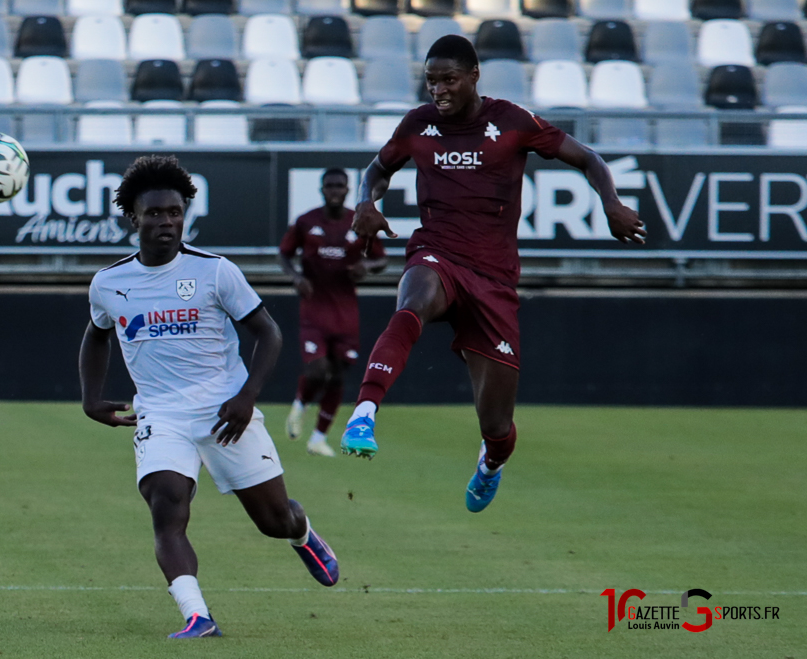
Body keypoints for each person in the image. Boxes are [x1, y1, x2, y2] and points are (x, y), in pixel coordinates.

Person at [340, 35, 647, 514]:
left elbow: (587, 157)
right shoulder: (418, 125)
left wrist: (611, 203)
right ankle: (364, 413)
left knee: (497, 426)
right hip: (437, 251)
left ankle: (491, 463)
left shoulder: (512, 122)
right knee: (412, 302)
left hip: (495, 279)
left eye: (448, 80)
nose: (438, 90)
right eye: (431, 81)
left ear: (474, 77)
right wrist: (366, 201)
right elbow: (377, 169)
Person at [79, 155, 339, 640]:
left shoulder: (215, 272)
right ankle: (197, 615)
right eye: (154, 213)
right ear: (133, 218)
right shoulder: (110, 283)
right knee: (166, 502)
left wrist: (246, 396)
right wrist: (91, 398)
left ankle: (302, 533)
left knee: (273, 521)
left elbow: (269, 333)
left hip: (225, 411)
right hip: (160, 413)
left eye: (175, 212)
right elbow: (95, 335)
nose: (166, 221)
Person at [278, 168, 387, 457]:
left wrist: (367, 267)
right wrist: (295, 277)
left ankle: (317, 439)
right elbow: (284, 254)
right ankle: (299, 406)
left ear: (348, 189)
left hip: (345, 311)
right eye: (330, 186)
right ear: (322, 189)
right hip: (314, 308)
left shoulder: (359, 222)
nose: (335, 191)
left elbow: (381, 260)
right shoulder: (306, 222)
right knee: (317, 370)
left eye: (340, 186)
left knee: (338, 376)